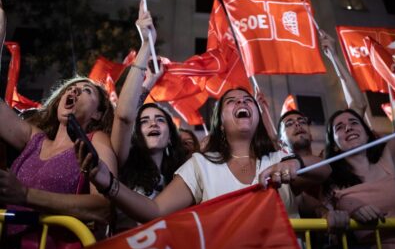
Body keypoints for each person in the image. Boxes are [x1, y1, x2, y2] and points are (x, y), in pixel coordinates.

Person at [79, 87, 331, 223]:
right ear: (219, 122)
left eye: (247, 100)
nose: (242, 103)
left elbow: (326, 169)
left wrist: (294, 163)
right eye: (232, 101)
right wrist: (108, 184)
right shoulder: (201, 165)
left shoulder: (277, 159)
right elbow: (155, 210)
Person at [0, 1, 116, 249]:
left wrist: (26, 195)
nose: (73, 91)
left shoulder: (97, 141)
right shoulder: (33, 138)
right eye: (71, 88)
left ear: (98, 114)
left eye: (85, 90)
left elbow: (103, 208)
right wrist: (1, 18)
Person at [322, 16, 395, 249]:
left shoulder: (391, 160)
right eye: (339, 127)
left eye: (354, 123)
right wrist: (348, 214)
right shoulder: (331, 184)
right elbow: (328, 231)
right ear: (333, 144)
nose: (348, 127)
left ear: (366, 130)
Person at [110, 1, 186, 232]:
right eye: (144, 121)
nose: (152, 122)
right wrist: (146, 47)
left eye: (160, 119)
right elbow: (124, 117)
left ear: (171, 136)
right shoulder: (122, 163)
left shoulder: (184, 176)